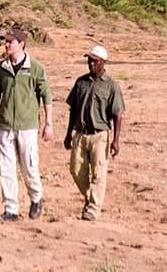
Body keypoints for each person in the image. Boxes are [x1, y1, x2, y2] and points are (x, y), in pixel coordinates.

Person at [0, 26, 50, 223]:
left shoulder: (36, 68)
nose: (6, 44)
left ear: (21, 44)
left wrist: (49, 123)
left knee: (29, 165)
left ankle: (36, 198)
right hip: (5, 124)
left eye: (10, 41)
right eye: (5, 41)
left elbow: (46, 95)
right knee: (6, 167)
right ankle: (10, 209)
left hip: (27, 125)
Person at [64, 44, 126, 221]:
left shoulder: (111, 86)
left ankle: (92, 208)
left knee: (99, 173)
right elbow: (73, 110)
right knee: (76, 170)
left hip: (100, 135)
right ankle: (92, 197)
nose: (90, 63)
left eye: (94, 61)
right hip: (81, 134)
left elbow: (118, 114)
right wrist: (69, 134)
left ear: (103, 62)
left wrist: (116, 140)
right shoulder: (81, 82)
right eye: (89, 60)